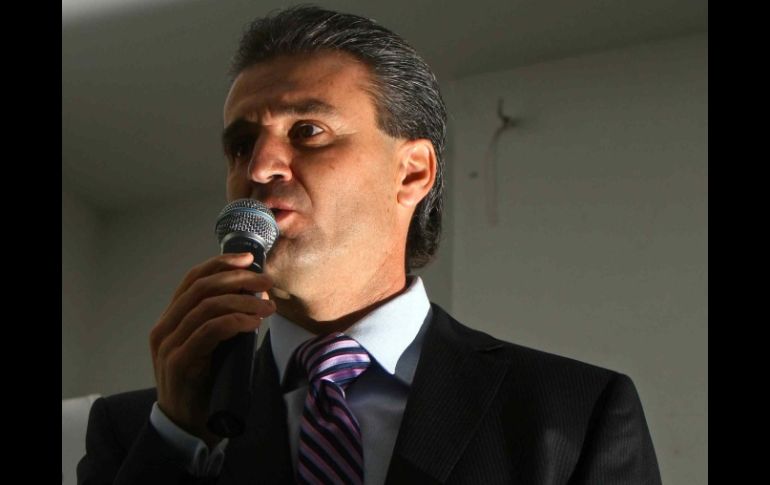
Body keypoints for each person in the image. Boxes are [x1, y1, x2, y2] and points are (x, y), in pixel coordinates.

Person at [77, 5, 662, 485]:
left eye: (308, 131)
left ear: (412, 172)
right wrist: (176, 440)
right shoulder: (137, 435)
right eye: (241, 145)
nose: (259, 167)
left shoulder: (572, 414)